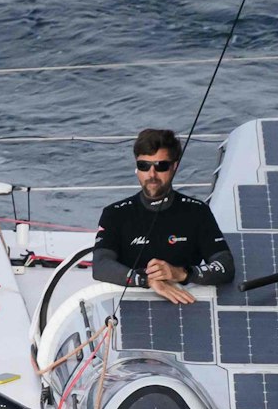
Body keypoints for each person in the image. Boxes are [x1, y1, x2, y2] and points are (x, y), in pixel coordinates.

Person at [91, 128, 234, 305]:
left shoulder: (197, 212)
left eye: (161, 166)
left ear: (174, 166)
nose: (152, 175)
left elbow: (226, 265)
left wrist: (181, 274)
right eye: (144, 166)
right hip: (128, 306)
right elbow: (100, 265)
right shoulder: (115, 213)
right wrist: (147, 280)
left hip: (185, 304)